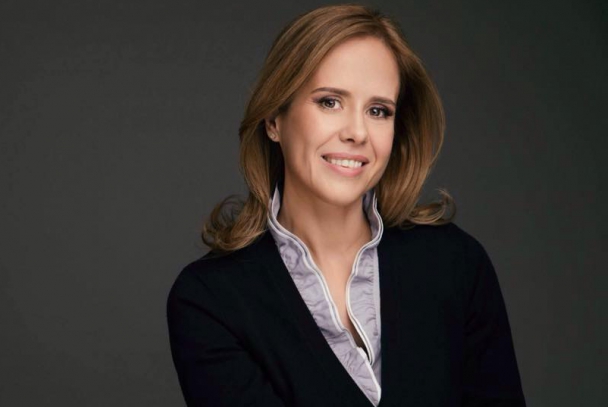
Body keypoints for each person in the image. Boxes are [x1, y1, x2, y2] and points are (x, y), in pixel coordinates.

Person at [166, 4, 525, 407]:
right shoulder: (210, 300)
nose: (357, 132)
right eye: (329, 102)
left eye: (378, 111)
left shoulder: (456, 265)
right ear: (274, 119)